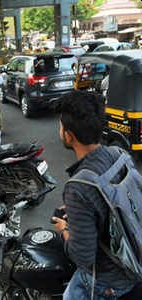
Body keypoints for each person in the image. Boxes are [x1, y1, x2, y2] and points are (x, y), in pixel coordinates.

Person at [52, 91, 137, 299]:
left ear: (68, 135)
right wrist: (83, 212)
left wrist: (64, 229)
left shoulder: (79, 187)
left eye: (61, 125)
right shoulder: (119, 155)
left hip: (108, 280)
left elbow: (83, 257)